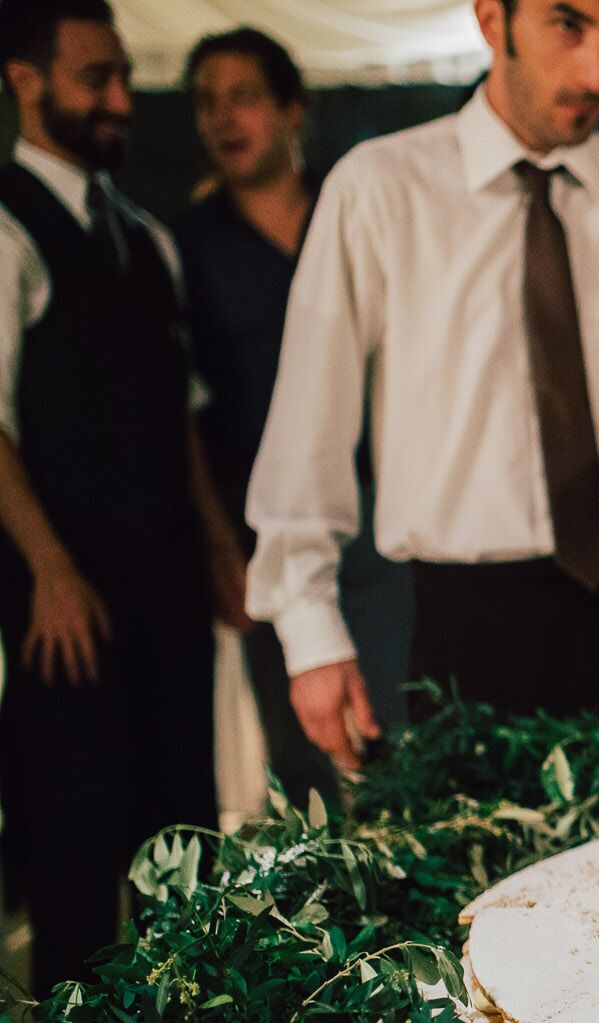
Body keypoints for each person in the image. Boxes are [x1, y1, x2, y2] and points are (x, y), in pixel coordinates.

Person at [245, 0, 599, 771]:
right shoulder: (380, 188)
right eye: (568, 26)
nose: (596, 70)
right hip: (470, 621)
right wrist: (310, 632)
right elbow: (311, 420)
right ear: (491, 21)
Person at [0, 0, 247, 994]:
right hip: (66, 604)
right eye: (93, 77)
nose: (117, 99)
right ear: (25, 81)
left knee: (185, 837)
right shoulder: (8, 228)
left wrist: (221, 545)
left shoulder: (148, 237)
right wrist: (50, 569)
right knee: (76, 849)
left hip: (169, 588)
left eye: (120, 78)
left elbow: (178, 411)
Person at [175, 26, 412, 810]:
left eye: (242, 97)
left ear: (292, 109)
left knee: (405, 726)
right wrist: (219, 547)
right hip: (261, 530)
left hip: (385, 510)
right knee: (305, 757)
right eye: (207, 103)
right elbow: (187, 414)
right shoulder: (188, 245)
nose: (223, 119)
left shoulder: (356, 211)